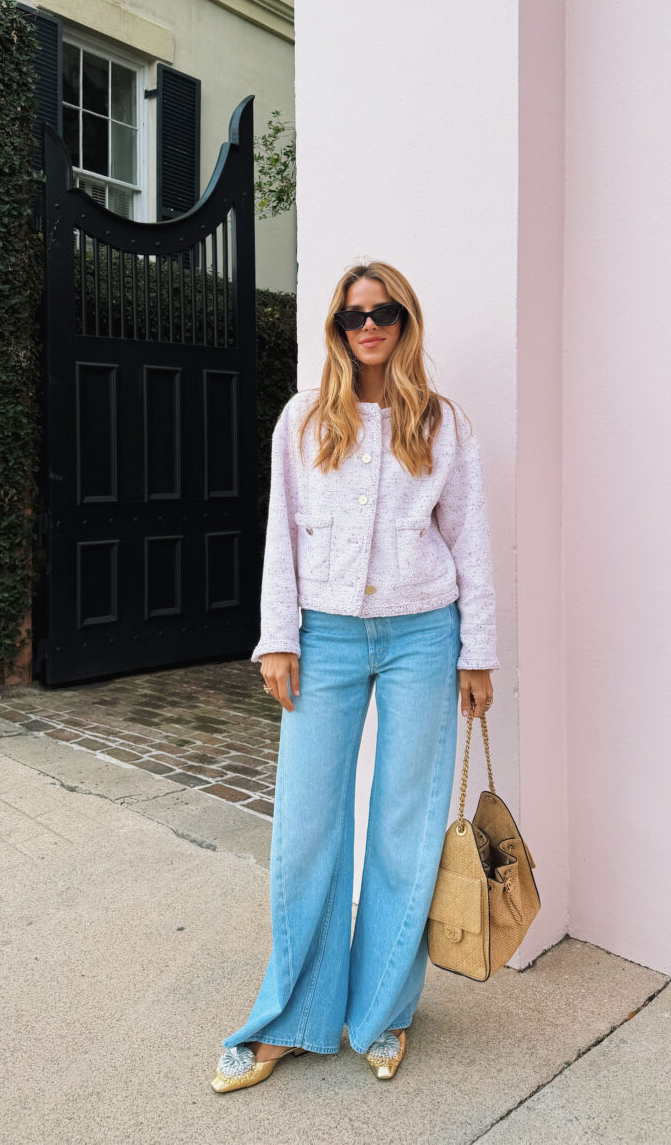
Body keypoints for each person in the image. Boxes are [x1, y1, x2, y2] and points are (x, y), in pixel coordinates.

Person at [211, 261, 499, 1092]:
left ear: (405, 320)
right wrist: (277, 638)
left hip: (423, 635)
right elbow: (281, 535)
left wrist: (477, 653)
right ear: (336, 328)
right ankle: (292, 1017)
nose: (367, 326)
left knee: (407, 827)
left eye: (383, 312)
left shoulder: (443, 423)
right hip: (326, 637)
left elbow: (470, 538)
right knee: (306, 828)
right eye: (351, 316)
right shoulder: (304, 418)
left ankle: (383, 1012)